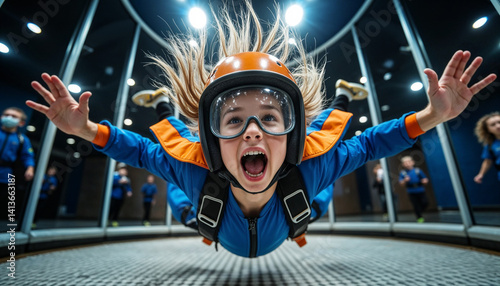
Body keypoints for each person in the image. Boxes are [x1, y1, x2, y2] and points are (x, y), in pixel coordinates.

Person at [27, 2, 496, 257]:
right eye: (233, 120)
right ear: (212, 136)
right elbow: (140, 151)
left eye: (270, 118)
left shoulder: (310, 162)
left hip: (296, 206)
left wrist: (433, 116)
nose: (252, 131)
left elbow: (371, 142)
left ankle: (333, 106)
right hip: (207, 213)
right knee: (176, 187)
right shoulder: (197, 169)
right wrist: (87, 129)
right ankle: (174, 114)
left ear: (294, 131)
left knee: (321, 189)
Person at [0, 107, 35, 228]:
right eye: (6, 114)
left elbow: (28, 156)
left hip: (5, 176)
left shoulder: (22, 139)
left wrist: (30, 168)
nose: (9, 118)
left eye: (14, 116)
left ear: (21, 123)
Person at [398, 156, 429, 223]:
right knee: (415, 205)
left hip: (420, 189)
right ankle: (419, 217)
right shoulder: (403, 173)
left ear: (412, 162)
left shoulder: (417, 171)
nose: (407, 164)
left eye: (408, 162)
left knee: (425, 202)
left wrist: (424, 181)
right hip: (411, 191)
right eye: (405, 163)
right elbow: (401, 183)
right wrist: (405, 180)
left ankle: (421, 210)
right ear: (403, 164)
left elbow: (425, 179)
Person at [473, 111, 500, 184]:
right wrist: (481, 174)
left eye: (499, 122)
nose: (498, 126)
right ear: (488, 129)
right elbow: (487, 161)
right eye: (493, 124)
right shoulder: (490, 145)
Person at [108, 163, 132, 227]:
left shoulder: (126, 178)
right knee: (111, 208)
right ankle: (107, 220)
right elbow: (111, 184)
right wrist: (119, 182)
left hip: (121, 196)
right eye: (122, 169)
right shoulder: (114, 176)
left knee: (117, 209)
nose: (123, 171)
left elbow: (128, 186)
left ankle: (114, 220)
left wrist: (129, 191)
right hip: (113, 196)